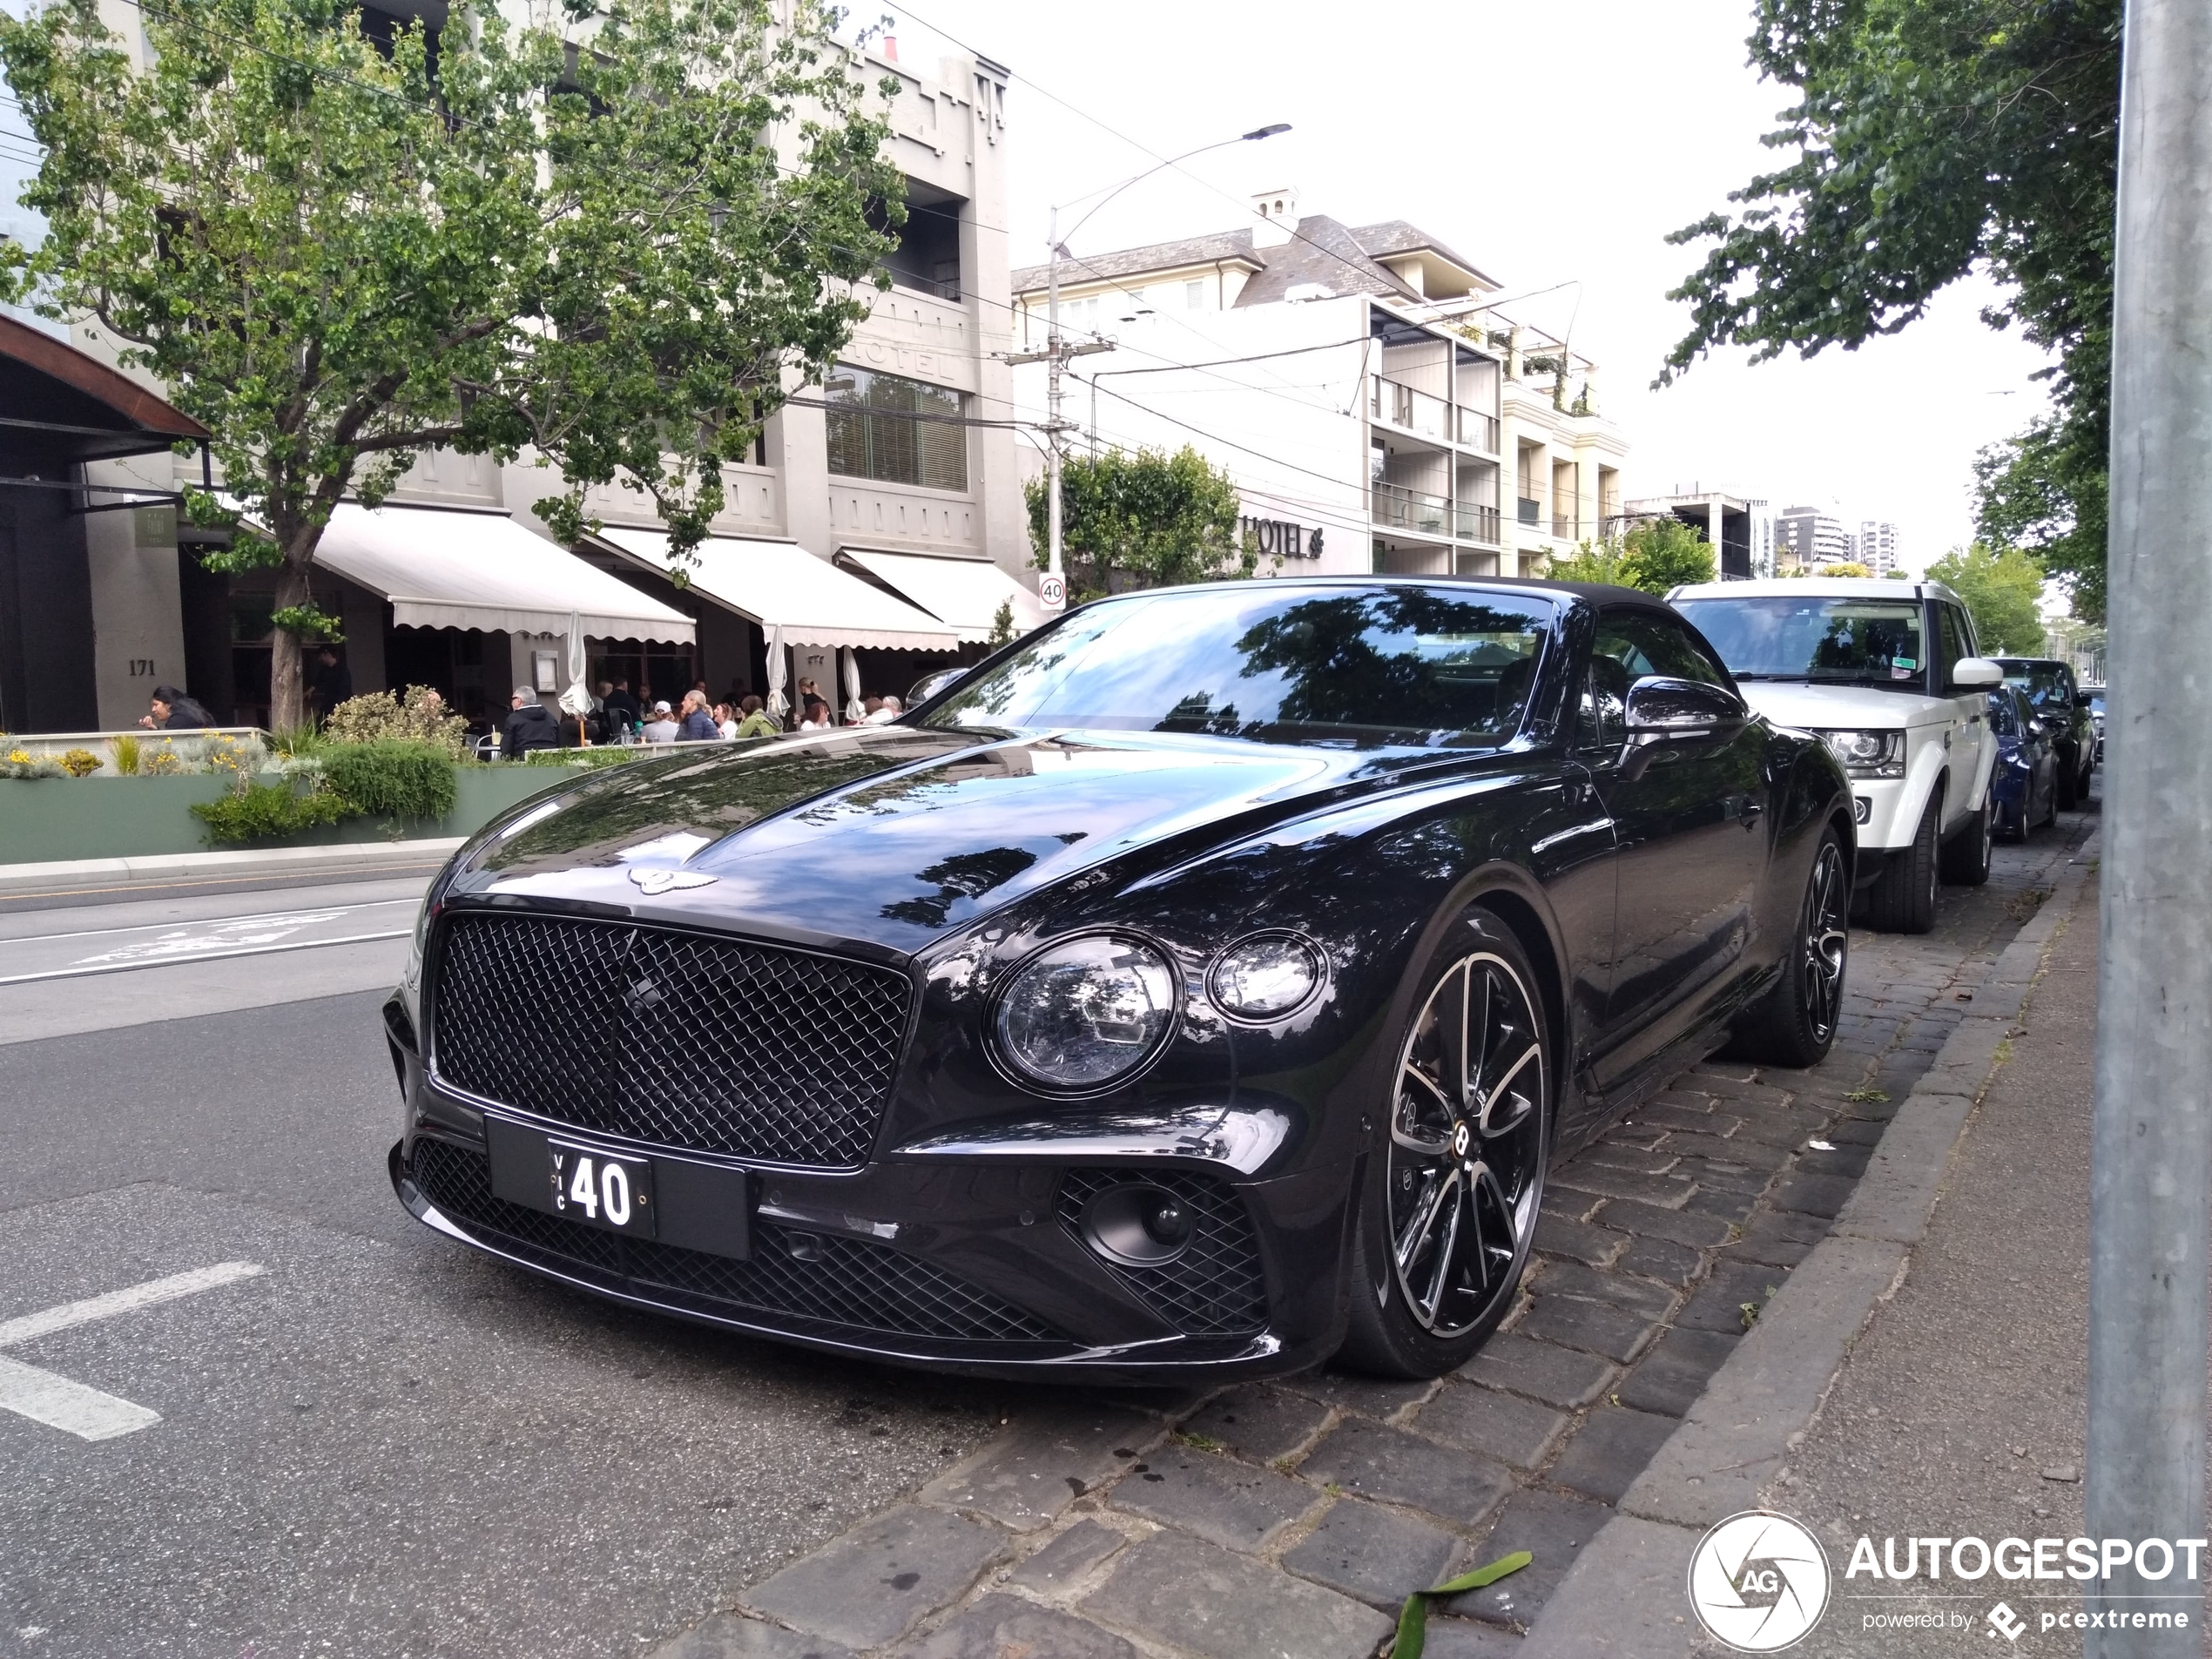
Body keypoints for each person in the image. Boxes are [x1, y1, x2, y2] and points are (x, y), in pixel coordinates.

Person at [501, 685, 560, 759]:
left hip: (523, 762)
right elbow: (559, 741)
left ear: (519, 701)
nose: (511, 702)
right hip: (551, 760)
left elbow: (506, 748)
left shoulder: (513, 719)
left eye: (512, 699)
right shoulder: (551, 717)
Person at [139, 685, 214, 730]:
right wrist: (153, 728)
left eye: (156, 705)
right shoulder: (188, 711)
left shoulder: (178, 719)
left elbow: (169, 745)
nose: (153, 710)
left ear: (168, 704)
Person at [308, 645, 352, 719]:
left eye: (321, 656)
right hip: (327, 703)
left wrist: (338, 707)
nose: (319, 659)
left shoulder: (342, 670)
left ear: (327, 654)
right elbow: (318, 682)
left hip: (340, 705)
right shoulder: (324, 669)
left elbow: (344, 690)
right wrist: (309, 691)